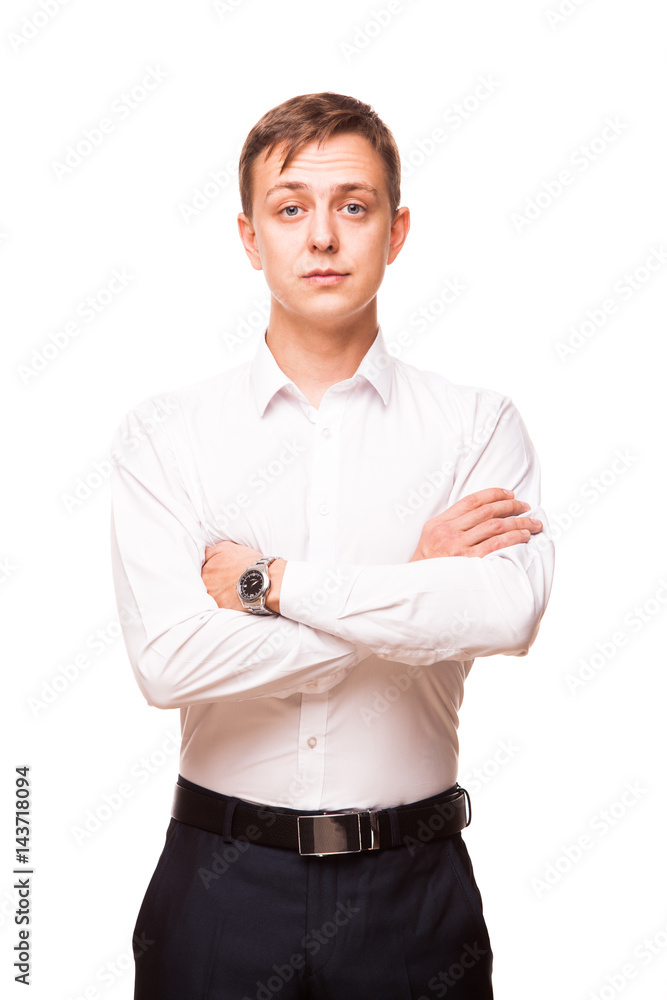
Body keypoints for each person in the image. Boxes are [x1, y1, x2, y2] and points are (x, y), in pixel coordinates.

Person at [109, 91, 555, 999]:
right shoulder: (168, 435)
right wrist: (411, 591)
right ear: (249, 237)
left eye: (352, 206)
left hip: (413, 895)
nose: (321, 236)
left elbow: (502, 611)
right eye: (290, 208)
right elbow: (168, 663)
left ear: (394, 232)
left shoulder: (476, 427)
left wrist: (268, 583)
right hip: (219, 886)